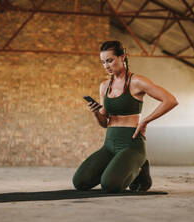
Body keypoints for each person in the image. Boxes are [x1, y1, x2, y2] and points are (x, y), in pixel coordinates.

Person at [72, 40, 178, 193]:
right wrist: (96, 112)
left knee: (110, 185)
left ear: (122, 57)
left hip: (131, 144)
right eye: (103, 62)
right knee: (80, 182)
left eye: (110, 60)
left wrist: (145, 121)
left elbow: (170, 100)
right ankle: (119, 167)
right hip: (109, 144)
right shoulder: (104, 86)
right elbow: (104, 122)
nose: (106, 66)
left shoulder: (136, 82)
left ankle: (140, 170)